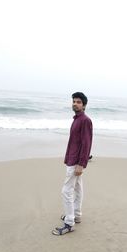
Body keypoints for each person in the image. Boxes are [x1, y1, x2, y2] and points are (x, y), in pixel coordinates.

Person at [52, 92, 93, 235]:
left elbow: (86, 144)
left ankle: (69, 223)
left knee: (66, 191)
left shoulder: (85, 120)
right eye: (74, 101)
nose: (75, 103)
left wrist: (81, 164)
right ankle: (76, 214)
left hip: (76, 161)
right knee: (77, 188)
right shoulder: (77, 119)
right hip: (72, 158)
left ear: (84, 105)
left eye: (78, 102)